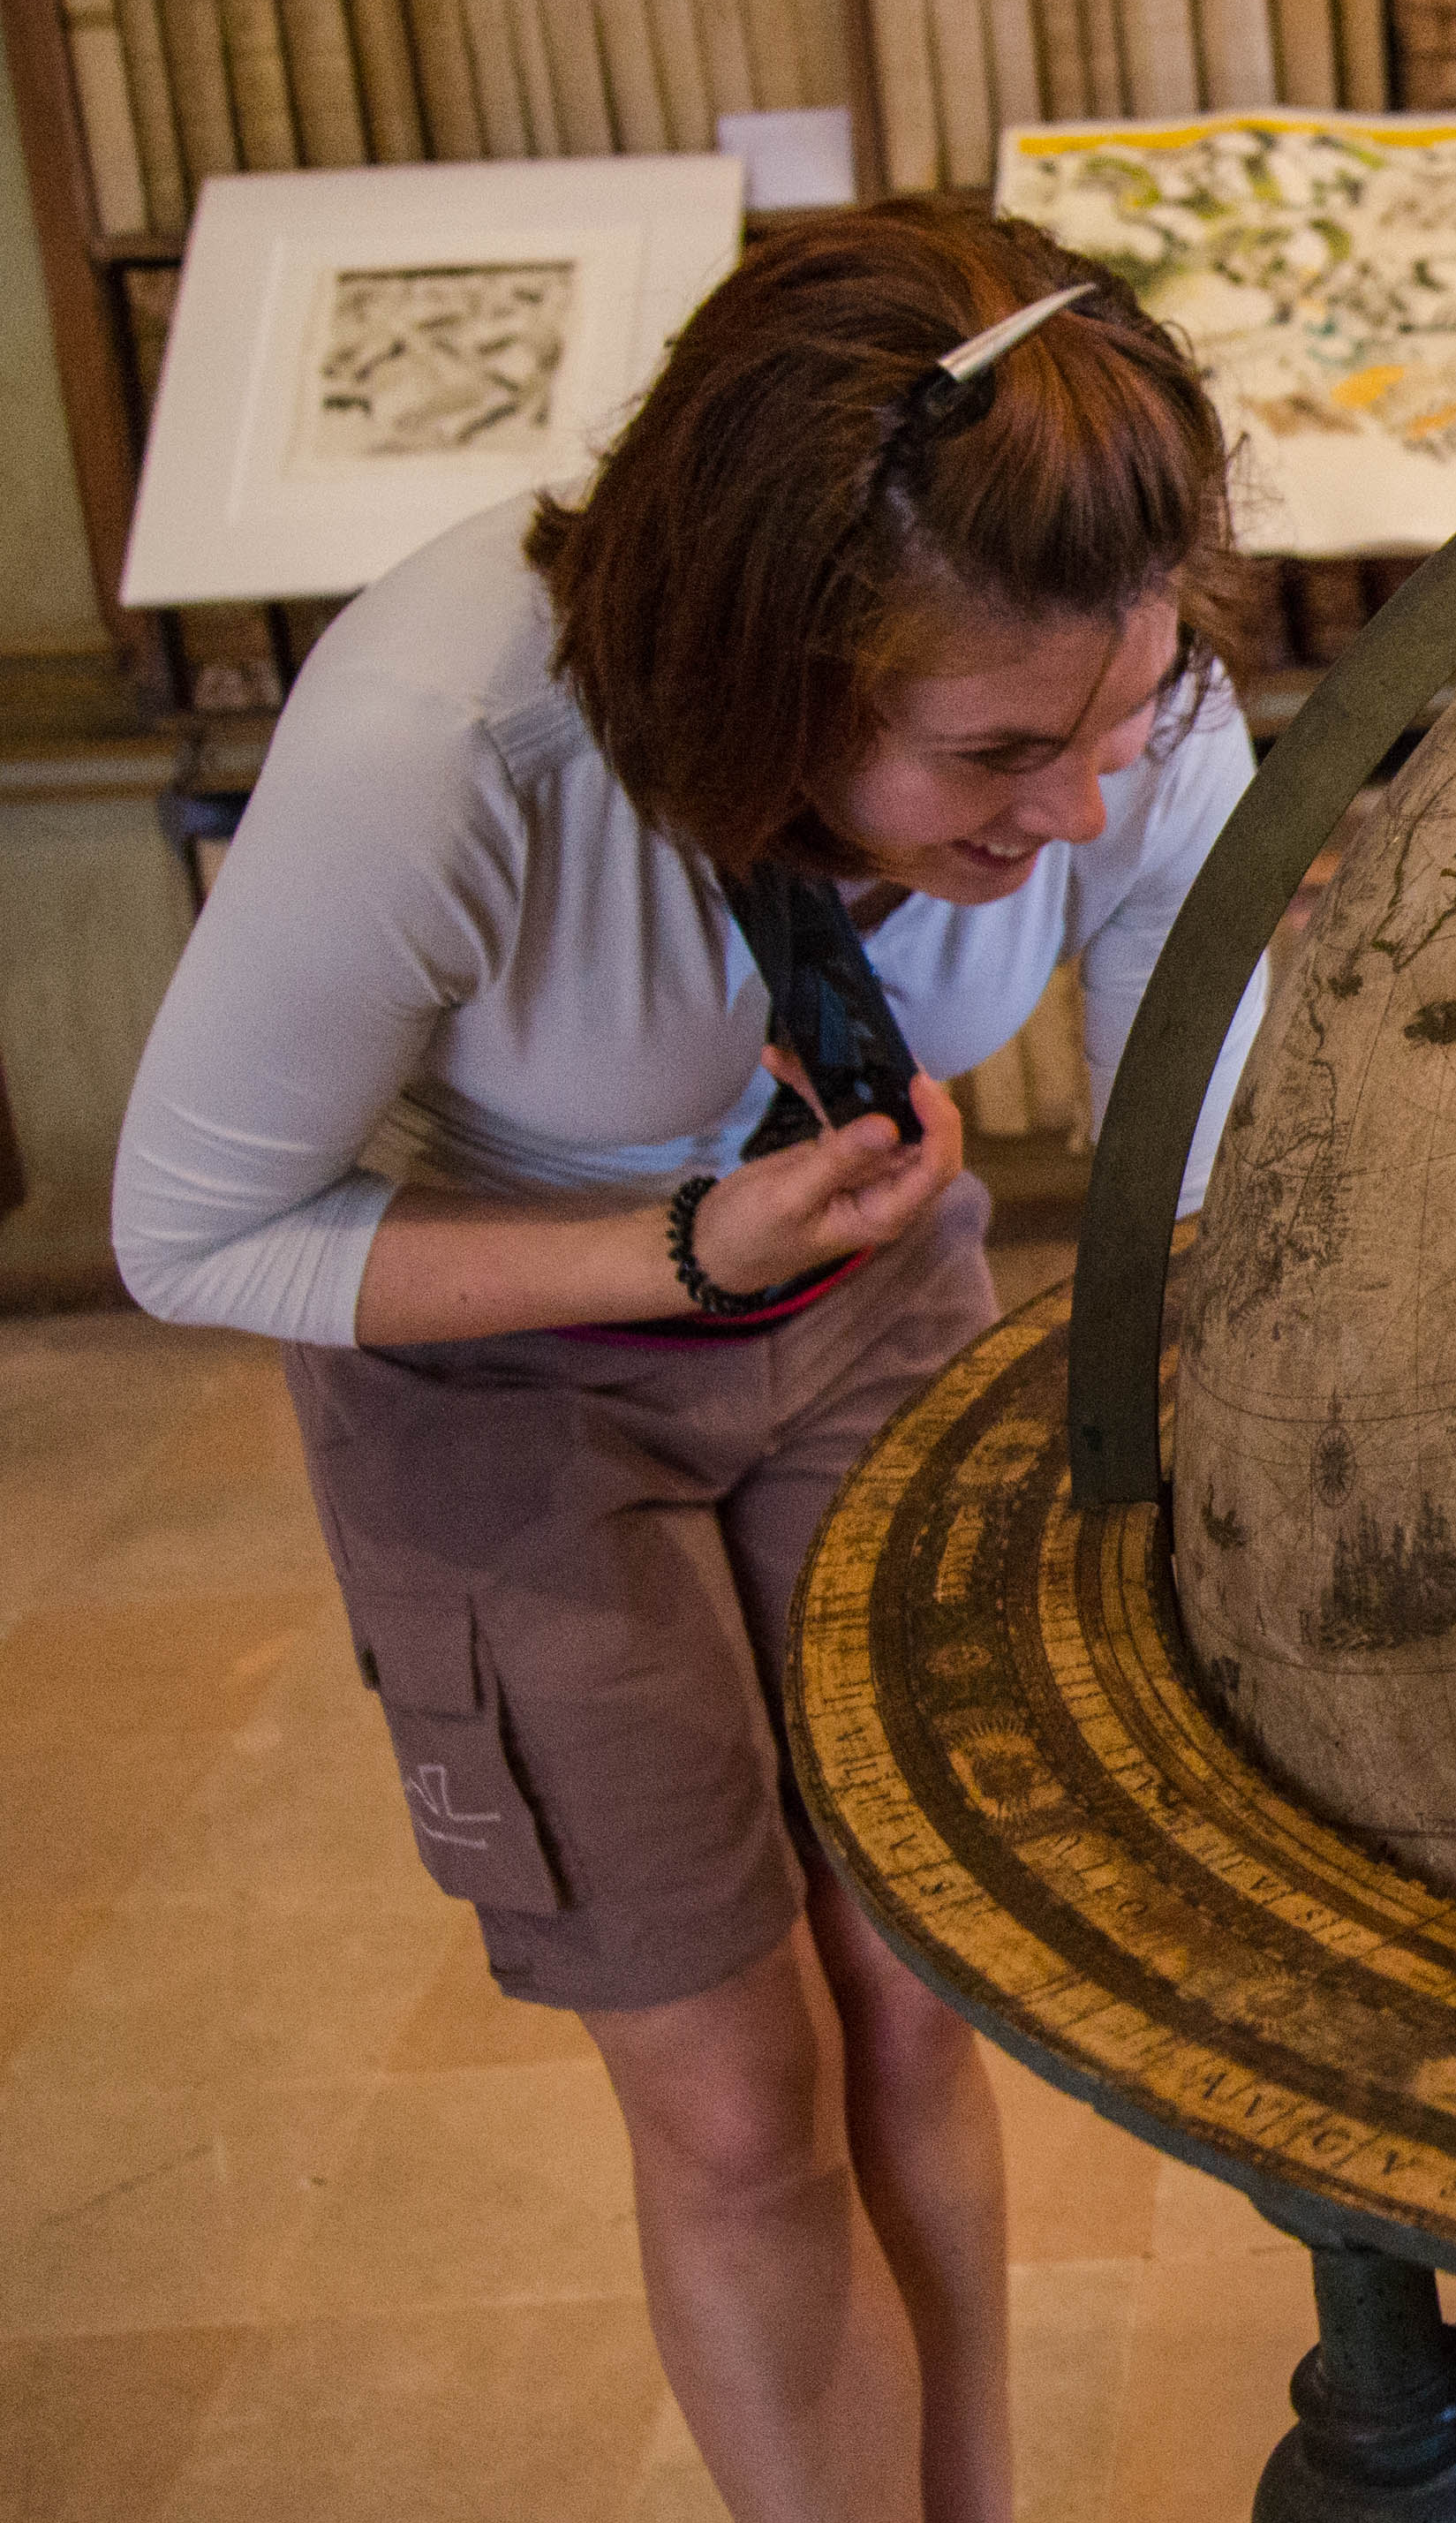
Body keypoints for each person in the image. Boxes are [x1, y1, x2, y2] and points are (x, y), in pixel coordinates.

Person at [113, 203, 1265, 2523]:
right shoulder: (453, 741)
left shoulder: (1116, 693)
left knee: (918, 1995)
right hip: (511, 1382)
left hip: (867, 1303)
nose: (1079, 806)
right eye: (994, 755)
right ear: (772, 676)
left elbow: (1179, 1130)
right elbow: (189, 1232)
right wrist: (667, 1243)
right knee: (740, 2101)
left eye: (1120, 722)